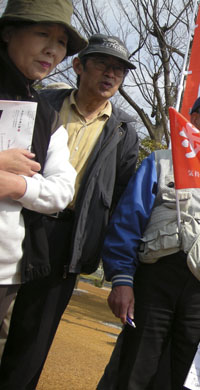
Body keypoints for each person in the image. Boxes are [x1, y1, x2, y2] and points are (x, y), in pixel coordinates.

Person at [0, 33, 139, 389]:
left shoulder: (123, 131)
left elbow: (121, 196)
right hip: (19, 217)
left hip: (68, 237)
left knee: (34, 339)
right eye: (102, 65)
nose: (110, 75)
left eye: (119, 71)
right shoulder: (41, 103)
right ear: (78, 66)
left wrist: (102, 250)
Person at [99, 91, 200, 389]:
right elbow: (129, 220)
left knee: (187, 378)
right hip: (155, 280)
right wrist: (121, 279)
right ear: (193, 119)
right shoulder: (160, 162)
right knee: (134, 369)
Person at [0, 0, 84, 328]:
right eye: (41, 34)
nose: (52, 50)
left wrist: (16, 185)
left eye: (61, 43)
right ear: (9, 32)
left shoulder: (47, 119)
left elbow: (62, 189)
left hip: (6, 270)